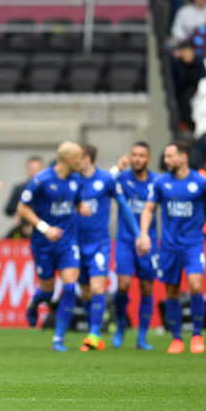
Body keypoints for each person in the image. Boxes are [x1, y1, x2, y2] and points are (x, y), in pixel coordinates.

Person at [138, 142, 206, 354]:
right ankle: (176, 339)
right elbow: (148, 209)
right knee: (172, 291)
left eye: (169, 156)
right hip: (168, 247)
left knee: (195, 285)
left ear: (183, 158)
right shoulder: (160, 183)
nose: (165, 160)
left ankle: (197, 335)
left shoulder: (202, 182)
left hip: (193, 245)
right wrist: (144, 233)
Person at [18, 142, 88, 352]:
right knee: (48, 291)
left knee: (69, 286)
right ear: (69, 159)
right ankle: (35, 302)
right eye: (79, 158)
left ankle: (58, 338)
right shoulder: (41, 180)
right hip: (43, 243)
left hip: (67, 241)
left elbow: (75, 202)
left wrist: (81, 207)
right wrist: (44, 227)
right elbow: (22, 208)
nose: (82, 162)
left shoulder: (76, 179)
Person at [74, 144, 138, 352]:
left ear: (87, 159)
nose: (73, 161)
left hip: (99, 242)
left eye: (77, 157)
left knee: (97, 288)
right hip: (75, 243)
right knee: (85, 291)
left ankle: (94, 334)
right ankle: (94, 334)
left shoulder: (106, 179)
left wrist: (139, 234)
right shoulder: (72, 180)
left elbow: (124, 205)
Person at [110, 142, 159, 350]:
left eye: (141, 155)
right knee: (123, 284)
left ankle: (142, 336)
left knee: (147, 287)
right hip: (125, 240)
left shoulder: (157, 182)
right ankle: (121, 324)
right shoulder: (122, 178)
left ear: (148, 159)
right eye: (134, 155)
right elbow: (99, 182)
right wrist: (117, 168)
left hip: (148, 241)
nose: (137, 158)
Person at [3, 156, 44, 238]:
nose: (34, 173)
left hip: (43, 228)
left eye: (37, 169)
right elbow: (8, 209)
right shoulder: (20, 189)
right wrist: (20, 212)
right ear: (27, 169)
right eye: (32, 169)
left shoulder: (48, 189)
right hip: (22, 228)